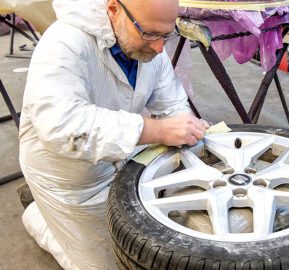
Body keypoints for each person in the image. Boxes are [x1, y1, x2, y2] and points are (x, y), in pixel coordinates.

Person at [18, 0, 208, 269]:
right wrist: (156, 130)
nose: (159, 47)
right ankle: (39, 216)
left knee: (154, 249)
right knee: (107, 264)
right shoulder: (64, 43)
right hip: (69, 177)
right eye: (149, 33)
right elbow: (59, 124)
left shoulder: (152, 45)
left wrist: (189, 128)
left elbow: (173, 106)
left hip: (124, 160)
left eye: (166, 34)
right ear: (113, 9)